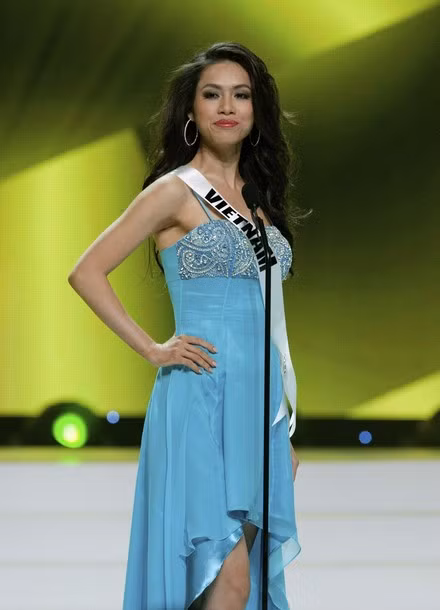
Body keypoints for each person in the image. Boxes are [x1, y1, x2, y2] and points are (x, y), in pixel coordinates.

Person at [68, 41, 306, 610]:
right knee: (225, 577)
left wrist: (282, 427)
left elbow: (267, 321)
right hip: (201, 397)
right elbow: (86, 272)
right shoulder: (173, 191)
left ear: (256, 111)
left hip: (258, 407)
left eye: (241, 95)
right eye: (212, 94)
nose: (227, 106)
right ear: (191, 111)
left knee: (233, 585)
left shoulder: (258, 200)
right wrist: (153, 348)